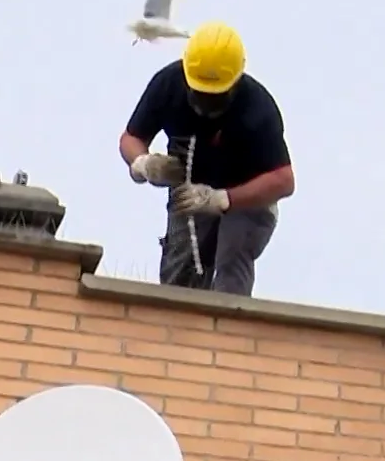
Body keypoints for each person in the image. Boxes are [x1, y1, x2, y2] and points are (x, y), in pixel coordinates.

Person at [119, 21, 294, 296]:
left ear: (235, 84)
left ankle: (226, 328)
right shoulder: (168, 85)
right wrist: (144, 164)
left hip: (247, 200)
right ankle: (177, 330)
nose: (205, 106)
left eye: (215, 98)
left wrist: (222, 199)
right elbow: (131, 139)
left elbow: (283, 180)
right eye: (199, 94)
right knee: (183, 268)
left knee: (232, 250)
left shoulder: (258, 108)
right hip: (190, 193)